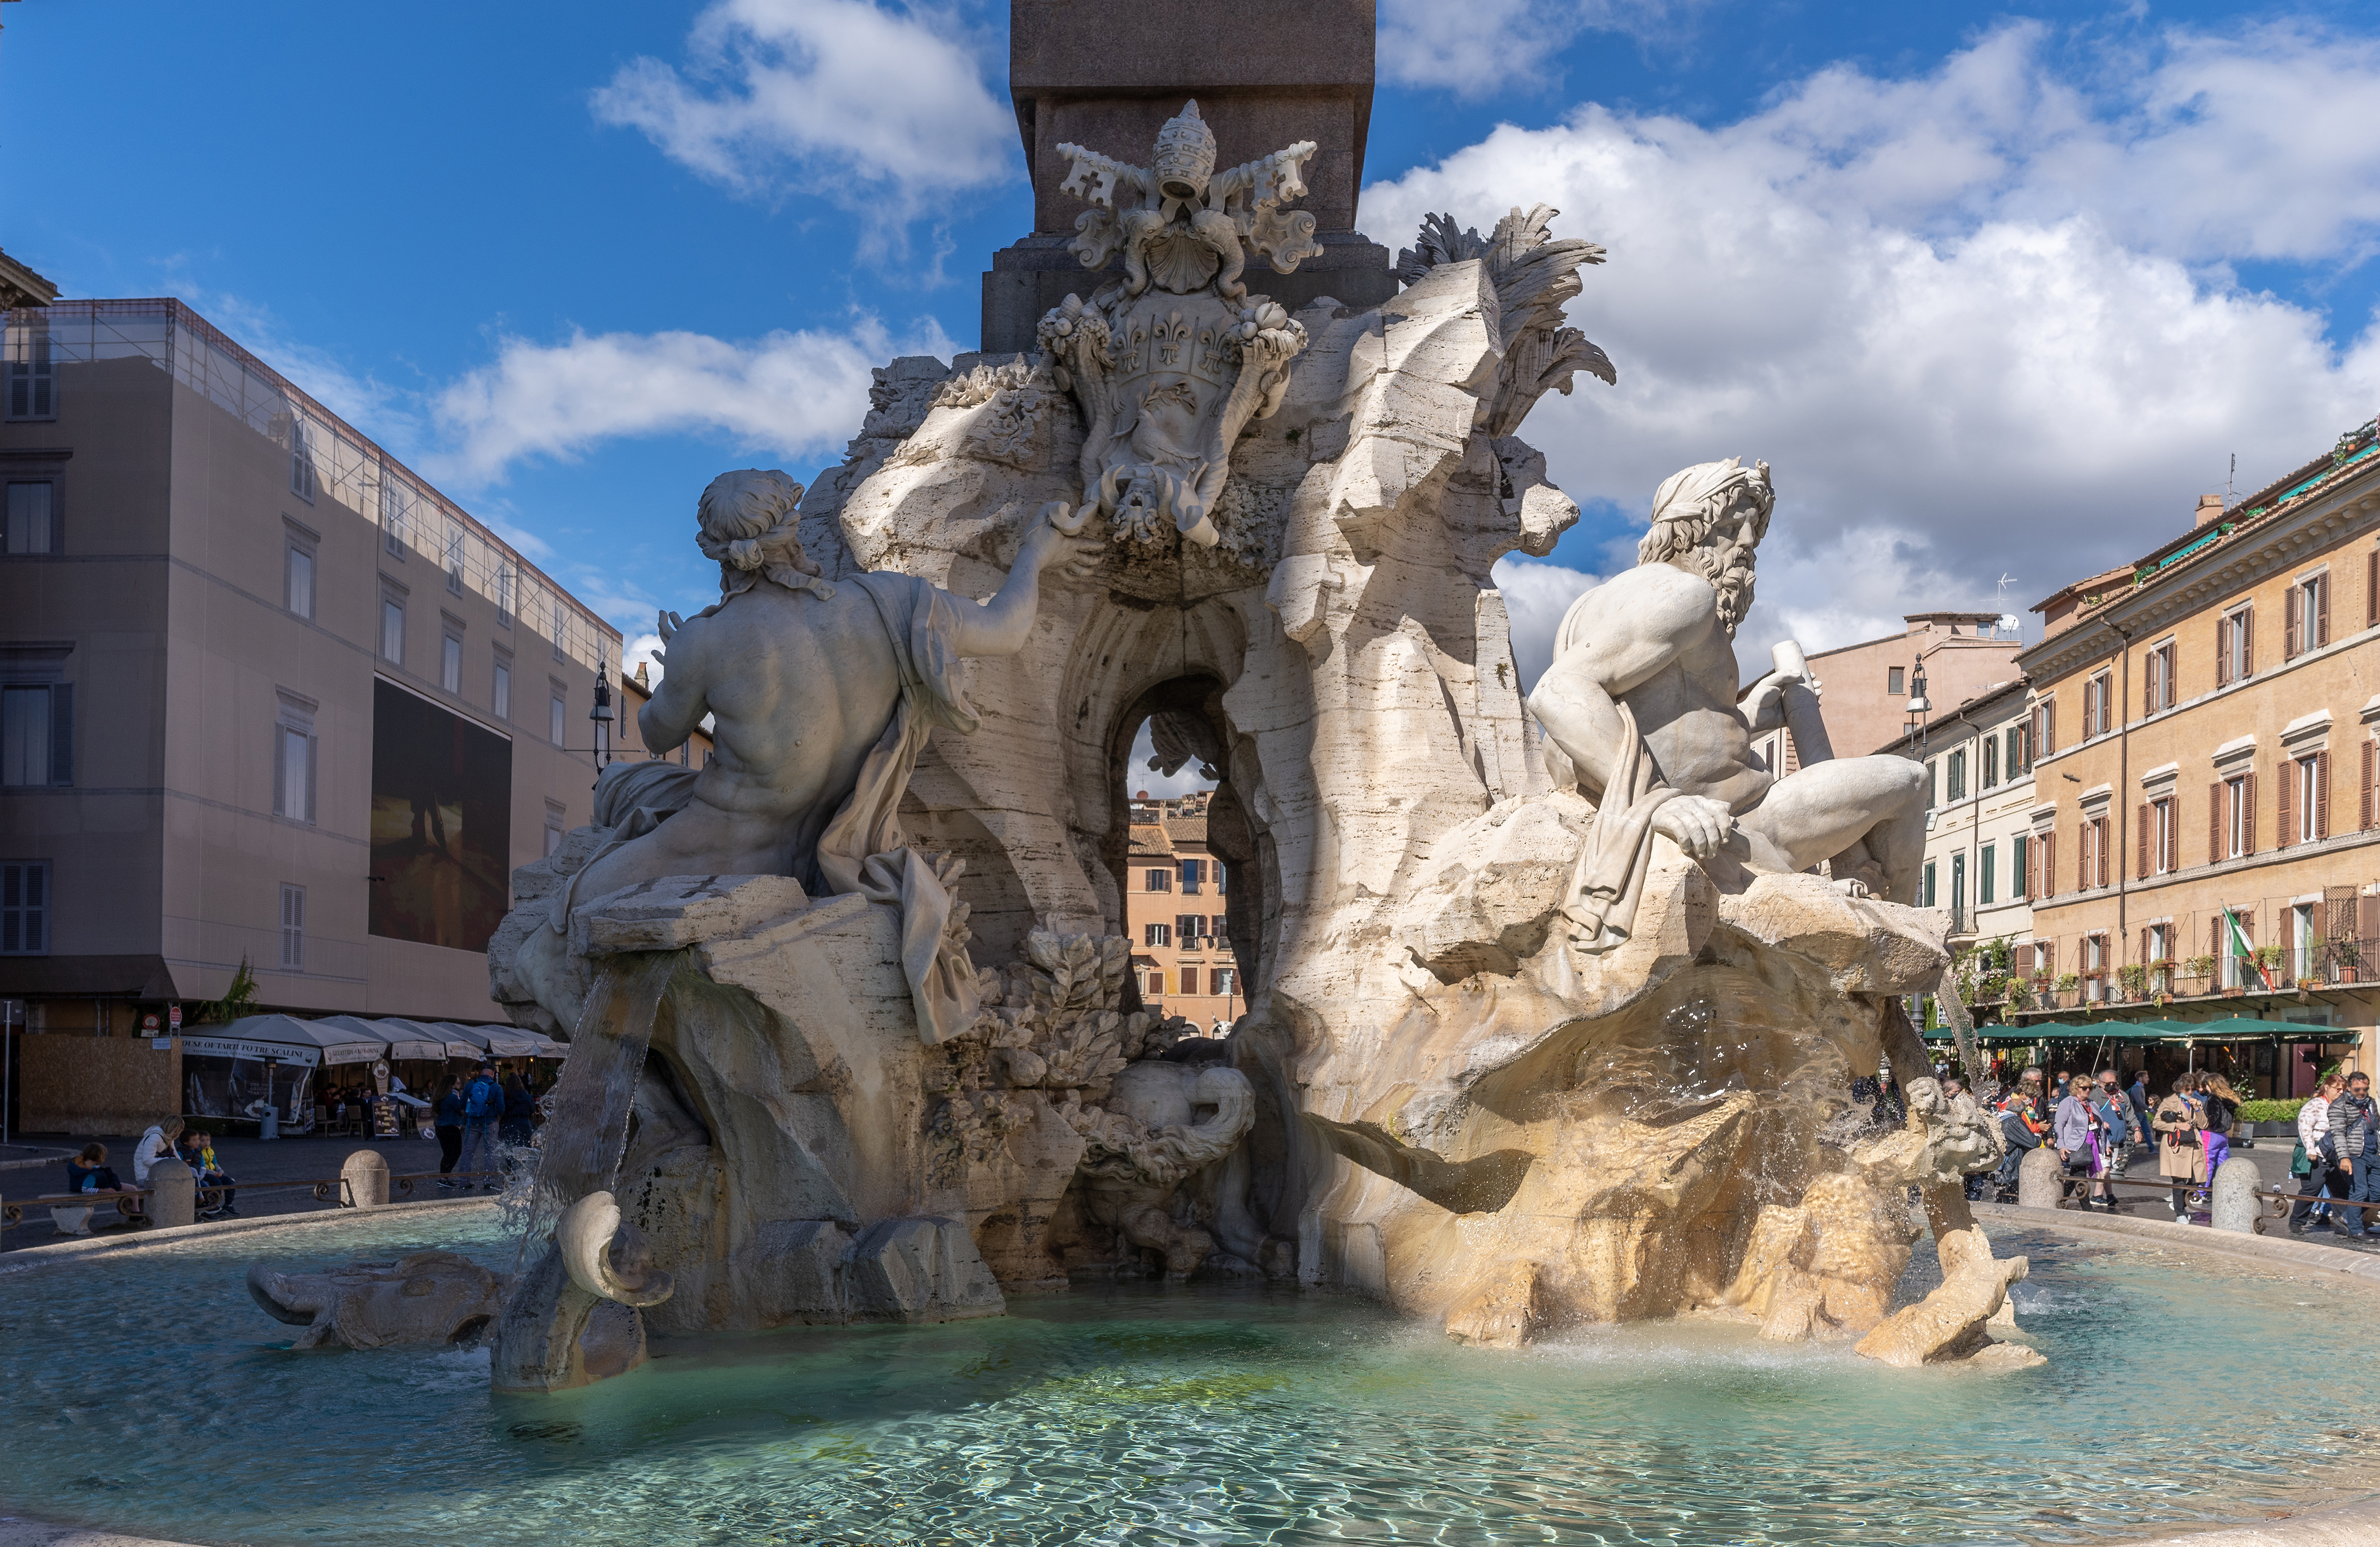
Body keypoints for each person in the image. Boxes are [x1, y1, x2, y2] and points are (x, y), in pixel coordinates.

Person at [1524, 458, 1931, 954]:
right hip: (1743, 826)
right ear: (1686, 530)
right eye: (1728, 526)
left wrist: (1753, 714)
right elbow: (1559, 693)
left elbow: (1673, 722)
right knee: (1910, 782)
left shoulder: (1605, 601)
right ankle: (1900, 940)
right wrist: (1664, 804)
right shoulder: (1685, 596)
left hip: (1723, 813)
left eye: (1752, 532)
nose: (1745, 544)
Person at [2291, 1073, 2345, 1234]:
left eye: (2343, 1090)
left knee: (2339, 1189)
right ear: (2327, 1088)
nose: (2341, 1092)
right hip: (2315, 1152)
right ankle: (2296, 1222)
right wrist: (2310, 1149)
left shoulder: (2339, 1106)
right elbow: (2305, 1127)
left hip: (2333, 1154)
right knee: (2312, 1188)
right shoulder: (2315, 1105)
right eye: (2338, 1089)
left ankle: (2342, 1223)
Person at [2330, 1071, 2379, 1240]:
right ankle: (2355, 1230)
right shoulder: (2338, 1105)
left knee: (2378, 1191)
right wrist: (2344, 1157)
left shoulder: (2371, 1103)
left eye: (2365, 1089)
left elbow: (2376, 1126)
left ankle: (2348, 1217)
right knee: (2359, 1191)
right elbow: (2338, 1133)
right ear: (2349, 1087)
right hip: (2354, 1154)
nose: (2362, 1093)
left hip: (2374, 1152)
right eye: (2358, 1089)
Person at [2153, 1073, 2206, 1220]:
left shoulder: (2196, 1103)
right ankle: (2180, 1212)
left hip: (2194, 1145)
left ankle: (2182, 1207)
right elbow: (2156, 1123)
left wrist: (2197, 1109)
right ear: (2180, 1088)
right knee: (2179, 1180)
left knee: (2196, 1179)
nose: (2190, 1092)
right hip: (2176, 1146)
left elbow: (2204, 1124)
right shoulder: (2169, 1102)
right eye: (2187, 1089)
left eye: (2193, 1089)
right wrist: (2177, 1125)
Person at [1990, 1068, 2049, 1200]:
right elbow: (2031, 1141)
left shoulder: (2007, 1116)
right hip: (2009, 1169)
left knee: (2005, 1200)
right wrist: (2038, 1133)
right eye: (2030, 1097)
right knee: (2009, 1200)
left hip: (2006, 1167)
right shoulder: (2013, 1118)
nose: (2031, 1101)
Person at [2052, 1074, 2100, 1208]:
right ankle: (2087, 1208)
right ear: (2076, 1088)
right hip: (2074, 1146)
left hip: (2090, 1146)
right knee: (2080, 1175)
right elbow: (2058, 1125)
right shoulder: (2068, 1103)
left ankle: (2060, 1200)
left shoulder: (2093, 1104)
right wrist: (2061, 1145)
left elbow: (2099, 1125)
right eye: (2084, 1088)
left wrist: (2106, 1145)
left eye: (2090, 1088)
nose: (2088, 1090)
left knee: (2075, 1176)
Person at [458, 1063, 504, 1190]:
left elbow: (461, 1104)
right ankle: (488, 1182)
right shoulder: (496, 1087)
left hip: (472, 1123)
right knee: (490, 1152)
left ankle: (464, 1182)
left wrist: (468, 1117)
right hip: (490, 1123)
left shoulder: (470, 1085)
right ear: (493, 1073)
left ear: (481, 1072)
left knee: (468, 1153)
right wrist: (497, 1119)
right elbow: (501, 1108)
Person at [183, 1129, 237, 1218]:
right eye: (202, 1140)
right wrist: (214, 1173)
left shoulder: (211, 1151)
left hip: (215, 1173)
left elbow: (215, 1163)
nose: (206, 1142)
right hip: (206, 1174)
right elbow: (202, 1167)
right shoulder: (198, 1152)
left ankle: (228, 1205)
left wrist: (220, 1172)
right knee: (217, 1183)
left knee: (230, 1182)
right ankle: (216, 1205)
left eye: (208, 1140)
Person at [130, 1117, 184, 1188]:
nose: (178, 1135)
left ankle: (198, 1197)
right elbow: (147, 1160)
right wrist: (168, 1161)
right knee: (175, 1183)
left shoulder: (169, 1139)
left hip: (161, 1174)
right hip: (146, 1177)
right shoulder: (154, 1137)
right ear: (172, 1130)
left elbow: (176, 1156)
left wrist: (182, 1166)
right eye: (178, 1132)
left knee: (190, 1174)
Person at [434, 1075, 467, 1188]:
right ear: (452, 1085)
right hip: (451, 1127)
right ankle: (444, 1178)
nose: (459, 1085)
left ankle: (443, 1178)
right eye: (457, 1083)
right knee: (456, 1153)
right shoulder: (452, 1097)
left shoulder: (441, 1096)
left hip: (440, 1127)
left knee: (447, 1154)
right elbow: (461, 1108)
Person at [500, 1070, 537, 1149]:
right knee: (526, 1149)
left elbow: (501, 1110)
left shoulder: (505, 1097)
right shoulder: (527, 1097)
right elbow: (532, 1110)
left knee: (509, 1150)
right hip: (524, 1125)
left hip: (508, 1126)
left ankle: (510, 1162)